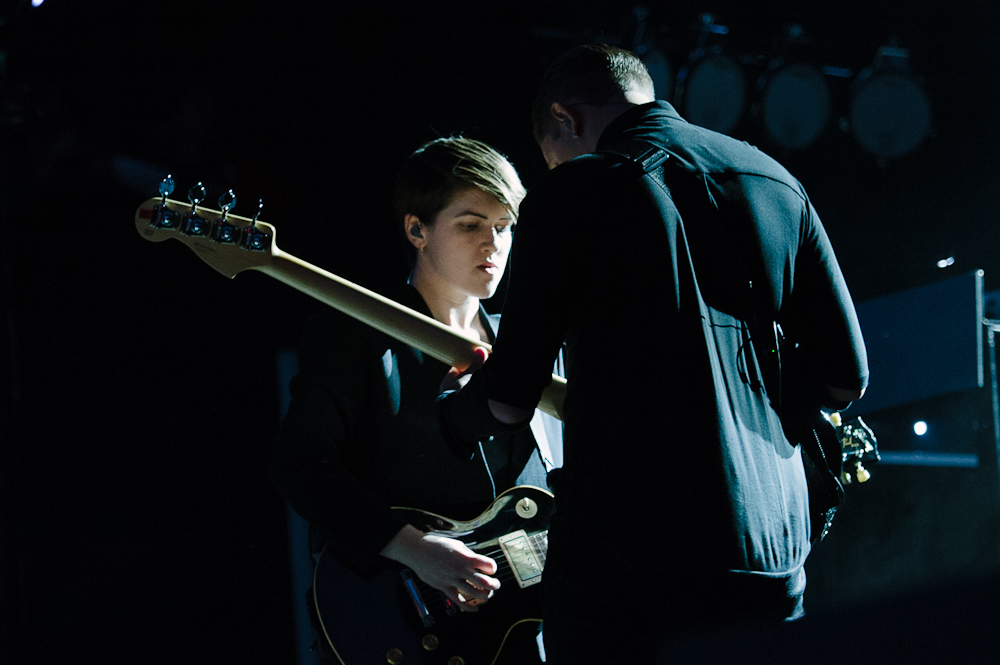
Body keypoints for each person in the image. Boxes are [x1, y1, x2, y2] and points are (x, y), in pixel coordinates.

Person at [440, 44, 869, 662]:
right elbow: (846, 378)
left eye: (553, 155)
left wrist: (457, 411)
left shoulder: (574, 191)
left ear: (564, 118)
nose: (558, 167)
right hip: (774, 559)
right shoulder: (775, 180)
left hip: (631, 570)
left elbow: (508, 401)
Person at [272, 137, 559, 663]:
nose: (493, 243)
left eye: (505, 226)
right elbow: (302, 465)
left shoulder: (527, 350)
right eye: (471, 225)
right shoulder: (355, 336)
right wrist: (416, 549)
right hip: (396, 622)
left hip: (513, 636)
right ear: (416, 230)